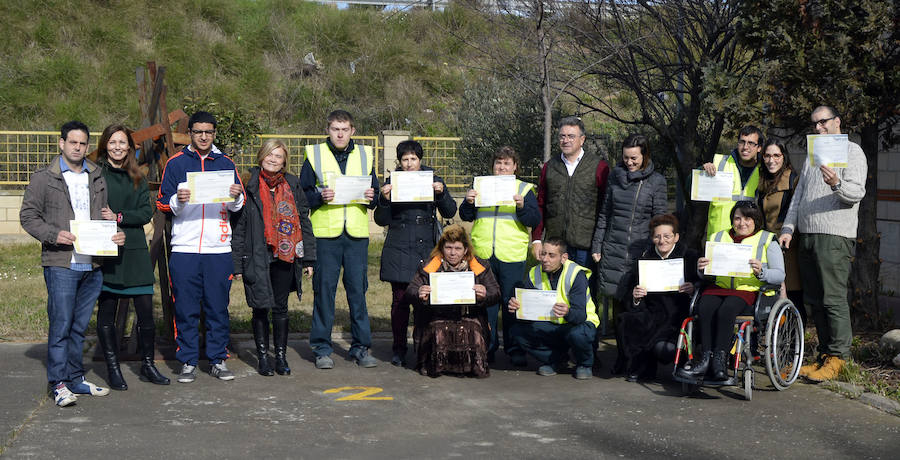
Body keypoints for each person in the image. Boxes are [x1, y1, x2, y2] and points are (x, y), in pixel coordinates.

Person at [20, 121, 125, 407]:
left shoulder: (96, 175)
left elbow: (103, 215)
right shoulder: (44, 178)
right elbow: (28, 217)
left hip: (92, 264)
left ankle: (76, 378)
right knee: (61, 324)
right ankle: (59, 384)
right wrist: (54, 235)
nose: (78, 148)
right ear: (62, 143)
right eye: (73, 142)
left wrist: (113, 229)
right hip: (61, 262)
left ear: (87, 146)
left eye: (82, 144)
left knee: (79, 326)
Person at [779, 105, 867, 382]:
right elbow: (799, 195)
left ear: (837, 121)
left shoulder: (853, 152)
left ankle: (840, 358)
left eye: (823, 122)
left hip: (834, 236)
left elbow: (857, 193)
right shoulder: (812, 156)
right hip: (807, 235)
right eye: (815, 124)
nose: (818, 128)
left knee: (832, 299)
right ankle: (825, 357)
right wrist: (789, 227)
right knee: (815, 300)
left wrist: (836, 183)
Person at [156, 111, 245, 383]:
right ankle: (188, 361)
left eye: (208, 132)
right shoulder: (176, 163)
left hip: (217, 248)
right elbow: (162, 202)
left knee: (218, 307)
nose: (204, 136)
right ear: (191, 134)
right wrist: (178, 200)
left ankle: (218, 359)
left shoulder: (225, 163)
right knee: (185, 307)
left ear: (214, 133)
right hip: (184, 247)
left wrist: (235, 197)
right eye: (198, 132)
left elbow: (238, 204)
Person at [300, 110, 379, 369]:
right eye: (335, 129)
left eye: (345, 129)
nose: (340, 133)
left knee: (358, 292)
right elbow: (303, 195)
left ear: (353, 130)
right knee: (324, 292)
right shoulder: (314, 154)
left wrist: (372, 195)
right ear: (328, 130)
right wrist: (318, 197)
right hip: (326, 235)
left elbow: (375, 196)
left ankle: (360, 347)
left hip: (356, 235)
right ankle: (322, 348)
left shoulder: (366, 155)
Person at [233, 139, 316, 376]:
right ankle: (262, 358)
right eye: (270, 155)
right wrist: (236, 263)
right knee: (260, 307)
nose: (273, 159)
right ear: (261, 156)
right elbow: (239, 226)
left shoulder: (292, 183)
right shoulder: (247, 183)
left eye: (278, 156)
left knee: (281, 308)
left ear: (284, 161)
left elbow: (303, 219)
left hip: (285, 254)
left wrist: (309, 258)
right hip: (257, 255)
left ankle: (280, 357)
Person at [95, 124, 169, 389]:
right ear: (105, 145)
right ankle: (113, 369)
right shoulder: (95, 174)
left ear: (129, 147)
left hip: (135, 250)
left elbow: (144, 213)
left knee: (146, 314)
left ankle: (148, 366)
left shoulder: (137, 175)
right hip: (106, 249)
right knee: (107, 312)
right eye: (112, 142)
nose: (117, 147)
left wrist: (118, 217)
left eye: (122, 142)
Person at [676, 201, 784, 382]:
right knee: (705, 307)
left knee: (727, 310)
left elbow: (780, 275)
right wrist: (701, 269)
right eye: (737, 218)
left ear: (756, 220)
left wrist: (762, 272)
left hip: (748, 289)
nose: (742, 223)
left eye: (748, 218)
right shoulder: (719, 237)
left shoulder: (767, 239)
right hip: (719, 286)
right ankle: (705, 358)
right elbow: (705, 275)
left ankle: (720, 360)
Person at [375, 140, 456, 367]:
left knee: (425, 300)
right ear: (399, 162)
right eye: (405, 160)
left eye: (413, 159)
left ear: (420, 160)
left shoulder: (433, 179)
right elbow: (381, 219)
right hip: (399, 245)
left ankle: (425, 348)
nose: (409, 164)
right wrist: (384, 199)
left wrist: (440, 194)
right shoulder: (392, 182)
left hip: (426, 247)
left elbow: (450, 210)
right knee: (400, 302)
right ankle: (399, 349)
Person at [459, 146, 539, 366]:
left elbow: (534, 219)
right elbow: (465, 215)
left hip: (512, 254)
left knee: (511, 303)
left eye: (507, 163)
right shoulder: (480, 186)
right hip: (483, 253)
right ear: (492, 166)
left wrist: (522, 207)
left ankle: (514, 349)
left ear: (515, 167)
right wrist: (468, 202)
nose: (502, 167)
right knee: (486, 303)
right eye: (498, 163)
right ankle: (488, 346)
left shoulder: (523, 189)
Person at [407, 224, 500, 377]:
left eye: (457, 248)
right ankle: (437, 365)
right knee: (438, 330)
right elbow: (410, 290)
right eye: (448, 248)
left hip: (469, 315)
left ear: (466, 250)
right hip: (436, 316)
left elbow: (495, 292)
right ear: (442, 248)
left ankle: (471, 366)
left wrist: (484, 294)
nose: (452, 253)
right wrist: (418, 293)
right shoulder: (430, 265)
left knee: (473, 329)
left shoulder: (479, 266)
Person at [616, 214, 699, 382]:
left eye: (667, 236)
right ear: (652, 238)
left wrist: (692, 288)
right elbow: (631, 293)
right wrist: (636, 296)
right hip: (651, 312)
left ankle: (682, 363)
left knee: (665, 348)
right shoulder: (645, 260)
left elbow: (701, 284)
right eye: (657, 236)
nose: (662, 241)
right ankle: (641, 367)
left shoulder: (689, 257)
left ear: (676, 237)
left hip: (678, 313)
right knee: (627, 320)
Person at [590, 133, 668, 309]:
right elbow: (605, 213)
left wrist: (654, 250)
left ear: (645, 156)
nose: (629, 162)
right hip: (613, 249)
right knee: (617, 303)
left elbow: (660, 221)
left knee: (639, 304)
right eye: (625, 157)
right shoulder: (614, 178)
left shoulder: (657, 182)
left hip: (641, 250)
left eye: (634, 158)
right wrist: (597, 245)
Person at [508, 237, 598, 380]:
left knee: (578, 335)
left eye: (551, 255)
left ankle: (585, 364)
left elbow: (580, 316)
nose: (545, 259)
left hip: (578, 323)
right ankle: (556, 360)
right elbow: (528, 315)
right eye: (543, 254)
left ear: (564, 258)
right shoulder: (534, 273)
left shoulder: (576, 274)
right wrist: (517, 309)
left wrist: (567, 312)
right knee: (518, 331)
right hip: (552, 325)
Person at [532, 116, 610, 268]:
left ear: (582, 139)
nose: (566, 140)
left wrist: (600, 242)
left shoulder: (599, 167)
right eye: (562, 136)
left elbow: (605, 208)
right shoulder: (549, 167)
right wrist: (536, 239)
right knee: (554, 290)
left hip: (585, 247)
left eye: (571, 136)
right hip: (555, 246)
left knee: (583, 289)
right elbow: (540, 205)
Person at [757, 139, 803, 323]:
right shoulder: (762, 181)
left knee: (792, 294)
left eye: (776, 155)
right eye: (767, 155)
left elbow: (797, 212)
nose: (771, 160)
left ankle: (794, 345)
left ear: (784, 157)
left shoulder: (793, 179)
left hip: (788, 247)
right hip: (767, 245)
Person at [701, 126, 763, 239]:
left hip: (748, 237)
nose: (745, 147)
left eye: (751, 143)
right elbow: (690, 186)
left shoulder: (763, 170)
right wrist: (702, 171)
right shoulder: (719, 163)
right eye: (742, 142)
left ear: (759, 148)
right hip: (719, 235)